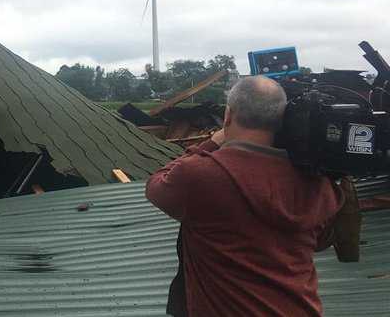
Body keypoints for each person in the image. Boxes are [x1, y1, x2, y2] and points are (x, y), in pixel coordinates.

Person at [146, 75, 343, 316]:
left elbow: (156, 185)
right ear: (281, 120)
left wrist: (210, 143)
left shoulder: (200, 175)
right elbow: (321, 240)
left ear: (228, 115)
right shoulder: (318, 182)